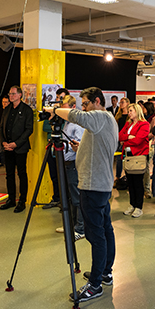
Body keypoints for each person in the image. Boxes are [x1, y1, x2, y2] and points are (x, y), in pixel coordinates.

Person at [45, 87, 119, 303]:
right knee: (105, 229)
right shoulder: (107, 120)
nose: (83, 107)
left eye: (85, 103)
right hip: (100, 184)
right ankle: (104, 273)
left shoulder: (100, 116)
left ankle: (95, 284)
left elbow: (77, 116)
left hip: (94, 186)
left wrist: (54, 110)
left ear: (97, 101)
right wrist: (81, 148)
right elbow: (99, 148)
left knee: (96, 235)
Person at [54, 95, 85, 241]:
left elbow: (78, 145)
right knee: (69, 196)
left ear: (73, 107)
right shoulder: (67, 122)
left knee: (76, 197)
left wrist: (70, 146)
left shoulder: (77, 124)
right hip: (66, 163)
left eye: (65, 109)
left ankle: (80, 228)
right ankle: (71, 225)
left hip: (74, 163)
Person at [0, 86, 33, 213]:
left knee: (22, 174)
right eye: (10, 94)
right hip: (7, 147)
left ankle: (22, 201)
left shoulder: (27, 110)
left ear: (20, 95)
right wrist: (3, 142)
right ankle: (11, 199)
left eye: (13, 94)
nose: (11, 96)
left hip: (20, 148)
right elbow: (1, 127)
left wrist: (16, 144)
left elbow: (29, 129)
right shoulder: (7, 109)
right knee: (9, 174)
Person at [119, 103, 150, 218]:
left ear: (137, 111)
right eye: (128, 111)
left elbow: (138, 140)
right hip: (128, 157)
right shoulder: (128, 124)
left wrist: (125, 141)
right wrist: (128, 137)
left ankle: (139, 207)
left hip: (138, 157)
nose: (129, 113)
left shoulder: (144, 124)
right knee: (130, 183)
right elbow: (119, 136)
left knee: (138, 183)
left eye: (131, 110)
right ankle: (132, 204)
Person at [0, 96, 9, 168]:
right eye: (3, 102)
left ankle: (7, 162)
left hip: (8, 132)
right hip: (0, 131)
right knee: (0, 147)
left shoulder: (10, 111)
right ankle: (0, 161)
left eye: (6, 102)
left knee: (7, 147)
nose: (4, 103)